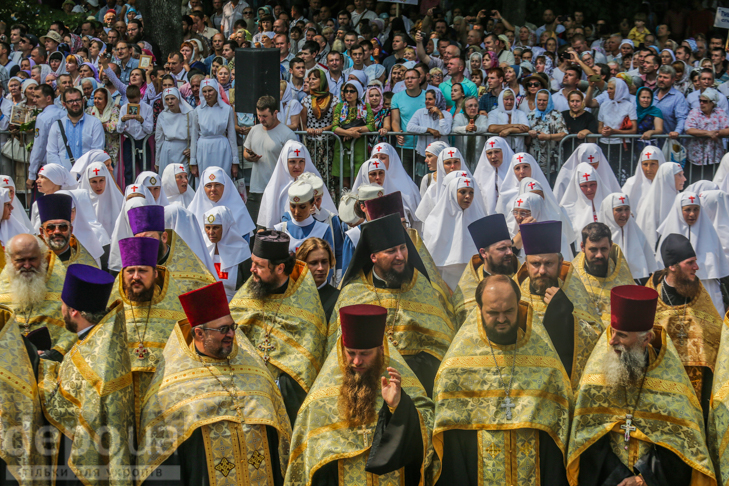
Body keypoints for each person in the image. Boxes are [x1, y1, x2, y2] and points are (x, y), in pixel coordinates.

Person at [136, 281, 292, 486]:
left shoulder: (253, 369)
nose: (231, 335)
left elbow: (279, 434)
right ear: (200, 333)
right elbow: (162, 459)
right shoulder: (172, 386)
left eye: (232, 327)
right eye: (223, 329)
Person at [567, 284, 717, 485]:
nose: (611, 341)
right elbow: (586, 436)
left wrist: (644, 477)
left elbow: (683, 443)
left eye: (622, 335)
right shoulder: (598, 371)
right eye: (612, 332)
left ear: (646, 338)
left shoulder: (671, 380)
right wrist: (619, 476)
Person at [434, 274, 572, 485]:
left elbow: (557, 435)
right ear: (479, 310)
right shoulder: (456, 367)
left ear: (519, 306)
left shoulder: (545, 362)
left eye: (509, 311)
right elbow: (451, 448)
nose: (501, 319)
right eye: (493, 313)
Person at [287, 303, 439, 485]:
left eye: (365, 354)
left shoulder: (404, 385)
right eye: (351, 353)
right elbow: (307, 462)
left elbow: (429, 434)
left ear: (381, 350)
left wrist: (399, 407)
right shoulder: (320, 398)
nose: (357, 361)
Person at [332, 213, 455, 397]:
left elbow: (442, 344)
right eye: (391, 251)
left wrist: (411, 366)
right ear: (373, 256)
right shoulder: (353, 293)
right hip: (366, 385)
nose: (400, 256)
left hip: (414, 388)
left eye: (403, 248)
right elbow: (337, 352)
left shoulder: (420, 286)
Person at [39, 264, 134, 486]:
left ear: (74, 311)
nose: (61, 311)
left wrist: (41, 367)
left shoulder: (95, 357)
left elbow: (62, 407)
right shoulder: (99, 339)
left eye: (63, 306)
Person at [229, 230, 328, 425]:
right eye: (252, 262)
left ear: (280, 268)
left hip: (285, 402)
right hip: (245, 396)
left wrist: (275, 386)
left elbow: (307, 364)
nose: (252, 270)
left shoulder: (306, 304)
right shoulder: (248, 294)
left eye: (259, 265)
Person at [112, 236, 187, 429]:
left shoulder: (175, 308)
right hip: (121, 403)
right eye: (130, 271)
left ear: (156, 273)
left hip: (163, 404)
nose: (135, 276)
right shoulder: (111, 308)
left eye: (142, 271)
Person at [0, 233, 73, 359]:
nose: (27, 266)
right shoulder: (2, 288)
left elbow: (76, 326)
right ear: (9, 259)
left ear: (43, 257)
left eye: (32, 259)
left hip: (53, 361)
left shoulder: (62, 285)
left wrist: (57, 351)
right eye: (20, 260)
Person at [655, 192, 729, 317]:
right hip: (676, 286)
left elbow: (721, 268)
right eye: (687, 210)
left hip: (707, 287)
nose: (692, 214)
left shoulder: (710, 233)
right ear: (679, 210)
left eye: (696, 209)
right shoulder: (667, 235)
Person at [451, 214, 520, 328]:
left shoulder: (522, 281)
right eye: (502, 248)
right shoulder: (467, 292)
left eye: (510, 247)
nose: (510, 253)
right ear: (483, 253)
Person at [128, 205, 216, 293]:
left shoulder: (190, 270)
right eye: (139, 240)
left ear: (164, 237)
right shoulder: (130, 271)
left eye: (149, 239)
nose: (144, 245)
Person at [423, 173, 485, 289]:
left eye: (471, 192)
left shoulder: (479, 218)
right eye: (463, 192)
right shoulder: (433, 222)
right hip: (443, 277)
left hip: (471, 277)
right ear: (452, 193)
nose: (468, 196)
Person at [257, 140, 335, 230]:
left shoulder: (315, 185)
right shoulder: (273, 189)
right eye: (292, 161)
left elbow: (327, 217)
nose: (297, 166)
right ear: (284, 163)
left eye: (301, 161)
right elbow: (264, 225)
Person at [572, 222, 636, 328]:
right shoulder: (572, 278)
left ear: (610, 246)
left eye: (604, 249)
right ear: (582, 247)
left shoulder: (623, 282)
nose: (599, 255)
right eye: (593, 249)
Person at [244, 95, 297, 222]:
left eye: (264, 116)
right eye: (259, 115)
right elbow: (246, 152)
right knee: (252, 231)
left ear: (275, 113)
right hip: (256, 189)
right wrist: (250, 157)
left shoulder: (287, 134)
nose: (261, 119)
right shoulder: (254, 130)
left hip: (277, 191)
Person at [598, 193, 659, 284]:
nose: (624, 214)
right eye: (619, 210)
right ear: (609, 212)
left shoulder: (638, 235)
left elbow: (647, 270)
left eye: (627, 209)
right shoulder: (599, 237)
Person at [188, 166, 256, 239]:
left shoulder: (239, 211)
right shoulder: (193, 212)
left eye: (217, 185)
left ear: (226, 186)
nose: (213, 189)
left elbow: (243, 244)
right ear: (203, 188)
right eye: (208, 186)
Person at [190, 79, 238, 179]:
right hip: (203, 150)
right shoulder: (197, 111)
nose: (207, 94)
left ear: (216, 90)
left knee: (222, 179)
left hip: (222, 149)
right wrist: (193, 161)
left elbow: (232, 136)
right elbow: (194, 137)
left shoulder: (227, 109)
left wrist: (235, 161)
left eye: (210, 90)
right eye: (204, 91)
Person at [46, 89, 105, 170]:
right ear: (64, 104)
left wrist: (82, 173)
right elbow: (51, 153)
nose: (75, 103)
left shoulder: (95, 123)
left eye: (77, 100)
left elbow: (97, 152)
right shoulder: (57, 125)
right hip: (62, 178)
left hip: (87, 176)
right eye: (70, 101)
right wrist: (63, 175)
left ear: (83, 101)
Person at [37, 192, 99, 267]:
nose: (57, 231)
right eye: (51, 228)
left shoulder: (85, 264)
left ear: (71, 230)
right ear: (41, 232)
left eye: (63, 227)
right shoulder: (33, 262)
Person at [203, 206, 251, 300]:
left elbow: (249, 282)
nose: (211, 232)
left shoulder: (241, 249)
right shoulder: (202, 247)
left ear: (225, 227)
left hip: (234, 302)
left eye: (216, 228)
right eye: (208, 228)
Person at [332, 79, 375, 181]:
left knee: (358, 178)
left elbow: (371, 126)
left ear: (358, 92)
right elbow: (334, 127)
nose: (348, 94)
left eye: (352, 91)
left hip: (359, 145)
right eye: (346, 91)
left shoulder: (366, 107)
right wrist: (349, 133)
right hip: (342, 145)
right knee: (344, 181)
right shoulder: (339, 106)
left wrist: (354, 130)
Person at [635, 162, 685, 250]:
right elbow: (648, 235)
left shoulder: (680, 199)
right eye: (679, 175)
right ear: (669, 177)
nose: (684, 179)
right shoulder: (649, 206)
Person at [301, 69, 338, 186]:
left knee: (327, 175)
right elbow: (303, 124)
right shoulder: (306, 100)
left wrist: (323, 130)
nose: (311, 81)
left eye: (314, 78)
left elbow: (336, 123)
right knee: (312, 175)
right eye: (309, 79)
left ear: (322, 80)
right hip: (312, 144)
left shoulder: (334, 100)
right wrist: (308, 130)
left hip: (328, 145)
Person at [274, 181, 334, 252]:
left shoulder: (323, 230)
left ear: (312, 204)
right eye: (293, 206)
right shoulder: (280, 230)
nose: (296, 212)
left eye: (302, 207)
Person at [685, 87, 729, 182]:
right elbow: (689, 129)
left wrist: (718, 133)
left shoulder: (720, 112)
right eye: (700, 100)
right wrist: (708, 133)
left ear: (712, 103)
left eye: (705, 101)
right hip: (696, 158)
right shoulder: (695, 112)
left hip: (714, 157)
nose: (701, 103)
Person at [26, 83, 65, 188]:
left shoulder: (43, 118)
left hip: (48, 166)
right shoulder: (64, 113)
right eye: (34, 97)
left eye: (38, 97)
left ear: (48, 98)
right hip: (64, 163)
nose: (34, 100)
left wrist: (32, 174)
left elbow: (39, 146)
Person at [560, 163, 610, 243]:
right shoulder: (566, 210)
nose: (589, 189)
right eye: (584, 186)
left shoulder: (609, 204)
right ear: (578, 186)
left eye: (592, 184)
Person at [554, 143, 622, 201]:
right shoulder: (566, 175)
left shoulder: (606, 174)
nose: (591, 169)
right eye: (588, 165)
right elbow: (558, 198)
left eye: (594, 165)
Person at [78, 155, 124, 236]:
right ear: (88, 182)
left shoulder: (118, 199)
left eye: (101, 180)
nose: (98, 186)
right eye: (94, 182)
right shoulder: (80, 203)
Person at [296, 237, 339, 321]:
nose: (320, 268)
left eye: (324, 262)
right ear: (302, 264)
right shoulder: (290, 296)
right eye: (314, 263)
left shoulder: (339, 299)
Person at [155, 87, 195, 175]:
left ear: (178, 99)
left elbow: (194, 135)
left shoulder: (189, 114)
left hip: (183, 150)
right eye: (167, 99)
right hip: (167, 150)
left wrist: (192, 149)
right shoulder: (162, 115)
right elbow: (159, 139)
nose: (170, 101)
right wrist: (157, 161)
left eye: (172, 98)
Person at [527, 89, 568, 175]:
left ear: (549, 101)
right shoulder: (530, 116)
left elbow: (563, 134)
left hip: (552, 158)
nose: (541, 102)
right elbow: (526, 141)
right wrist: (529, 135)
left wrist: (548, 137)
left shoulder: (556, 115)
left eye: (544, 100)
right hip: (534, 157)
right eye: (539, 100)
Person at [472, 136, 514, 214]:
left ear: (504, 151)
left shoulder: (515, 173)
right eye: (489, 153)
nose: (493, 156)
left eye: (497, 152)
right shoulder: (479, 176)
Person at [406, 89, 452, 159]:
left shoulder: (447, 114)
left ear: (437, 100)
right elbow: (409, 127)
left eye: (430, 99)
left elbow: (445, 131)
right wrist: (428, 130)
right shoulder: (420, 112)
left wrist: (440, 114)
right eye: (426, 99)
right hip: (424, 153)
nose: (427, 101)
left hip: (441, 154)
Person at [621, 145, 665, 216]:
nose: (648, 169)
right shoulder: (631, 183)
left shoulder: (668, 183)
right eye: (645, 164)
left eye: (653, 164)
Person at [487, 88, 529, 153]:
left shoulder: (520, 113)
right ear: (501, 100)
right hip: (500, 150)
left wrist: (510, 130)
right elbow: (492, 128)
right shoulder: (493, 113)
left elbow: (526, 128)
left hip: (517, 149)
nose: (509, 102)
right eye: (506, 99)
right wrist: (515, 125)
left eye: (511, 99)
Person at [451, 96, 490, 167]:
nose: (473, 108)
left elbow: (485, 128)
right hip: (462, 152)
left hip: (478, 153)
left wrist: (476, 128)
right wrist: (466, 128)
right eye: (470, 106)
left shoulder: (482, 117)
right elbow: (454, 128)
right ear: (464, 107)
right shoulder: (459, 116)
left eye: (476, 106)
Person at [86, 86, 121, 164]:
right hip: (94, 148)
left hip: (111, 147)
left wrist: (101, 126)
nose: (96, 101)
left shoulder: (114, 110)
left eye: (100, 98)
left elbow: (116, 125)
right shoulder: (89, 111)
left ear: (107, 100)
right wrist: (101, 126)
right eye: (95, 98)